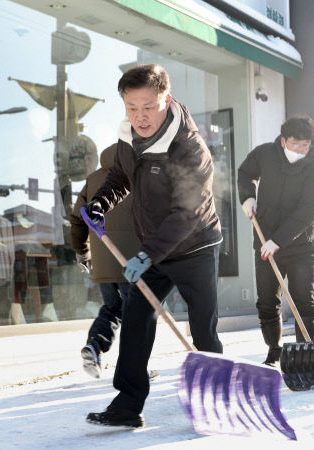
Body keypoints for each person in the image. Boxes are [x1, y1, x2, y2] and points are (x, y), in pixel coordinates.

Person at [83, 64, 223, 428]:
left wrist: (146, 254)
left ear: (167, 98)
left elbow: (187, 213)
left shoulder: (189, 149)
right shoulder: (129, 138)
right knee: (134, 321)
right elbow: (119, 176)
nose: (140, 116)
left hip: (194, 246)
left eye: (148, 106)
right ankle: (128, 406)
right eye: (131, 107)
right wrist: (100, 203)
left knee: (203, 329)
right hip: (154, 248)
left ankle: (213, 402)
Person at [237, 115, 314, 366]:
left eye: (305, 145)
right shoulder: (265, 154)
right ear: (282, 141)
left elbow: (308, 210)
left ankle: (305, 354)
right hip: (265, 237)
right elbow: (245, 172)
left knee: (304, 300)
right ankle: (274, 349)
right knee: (267, 300)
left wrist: (278, 240)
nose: (300, 149)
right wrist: (248, 197)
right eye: (295, 144)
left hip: (303, 243)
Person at [71, 143, 139, 377]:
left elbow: (77, 218)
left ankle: (94, 346)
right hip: (132, 258)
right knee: (136, 312)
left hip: (103, 258)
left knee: (112, 307)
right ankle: (133, 370)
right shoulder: (136, 174)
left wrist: (83, 251)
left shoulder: (92, 179)